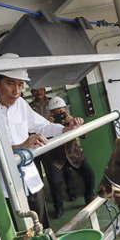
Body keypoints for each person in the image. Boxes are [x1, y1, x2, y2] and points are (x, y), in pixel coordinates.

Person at [0, 53, 81, 230]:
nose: (16, 91)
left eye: (20, 85)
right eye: (10, 83)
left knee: (42, 228)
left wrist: (66, 128)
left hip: (31, 181)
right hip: (6, 188)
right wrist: (21, 147)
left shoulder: (21, 104)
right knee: (21, 234)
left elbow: (43, 126)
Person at [45, 96, 95, 218]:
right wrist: (49, 124)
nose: (59, 115)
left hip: (74, 154)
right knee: (54, 182)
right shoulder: (47, 125)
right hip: (56, 158)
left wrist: (74, 123)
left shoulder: (72, 120)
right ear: (51, 114)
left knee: (90, 173)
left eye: (61, 112)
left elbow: (83, 135)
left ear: (66, 110)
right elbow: (44, 139)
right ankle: (59, 207)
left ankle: (89, 199)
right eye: (56, 113)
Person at [29, 88, 75, 217]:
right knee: (52, 178)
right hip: (41, 144)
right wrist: (48, 122)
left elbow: (65, 119)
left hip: (58, 140)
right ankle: (58, 206)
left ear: (44, 90)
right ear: (32, 93)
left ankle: (71, 192)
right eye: (35, 91)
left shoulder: (54, 102)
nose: (39, 92)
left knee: (66, 169)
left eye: (41, 90)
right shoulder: (29, 107)